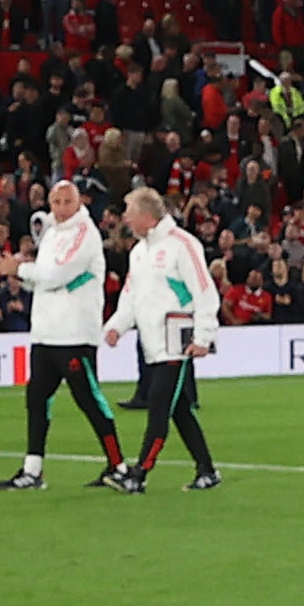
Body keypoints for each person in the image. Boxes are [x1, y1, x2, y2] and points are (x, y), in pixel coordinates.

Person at [0, 181, 128, 490]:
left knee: (88, 398)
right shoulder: (53, 234)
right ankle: (32, 469)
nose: (62, 207)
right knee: (37, 398)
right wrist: (19, 273)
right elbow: (44, 278)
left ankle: (118, 466)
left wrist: (19, 268)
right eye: (56, 201)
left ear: (79, 203)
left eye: (67, 201)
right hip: (46, 332)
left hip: (74, 333)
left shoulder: (85, 234)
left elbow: (56, 276)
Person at [106, 189, 222, 490]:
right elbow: (131, 295)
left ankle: (139, 474)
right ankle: (207, 470)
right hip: (152, 343)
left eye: (129, 212)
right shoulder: (139, 251)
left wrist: (204, 336)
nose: (125, 219)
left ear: (146, 215)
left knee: (158, 407)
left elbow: (205, 291)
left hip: (177, 341)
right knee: (179, 409)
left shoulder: (182, 245)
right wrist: (117, 325)